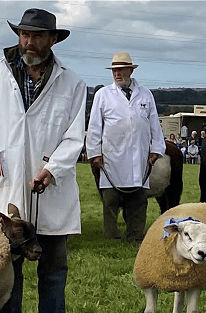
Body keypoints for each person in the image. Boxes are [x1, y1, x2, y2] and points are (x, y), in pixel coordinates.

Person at [0, 8, 86, 313]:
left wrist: (52, 169)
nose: (29, 42)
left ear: (52, 40)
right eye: (24, 34)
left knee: (53, 271)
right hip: (7, 185)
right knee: (8, 268)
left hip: (51, 188)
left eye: (37, 36)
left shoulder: (72, 83)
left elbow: (75, 136)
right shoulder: (0, 74)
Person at [86, 52, 165, 243]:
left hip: (139, 156)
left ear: (131, 70)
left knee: (138, 200)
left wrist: (156, 149)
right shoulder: (103, 95)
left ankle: (135, 236)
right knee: (111, 200)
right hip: (112, 157)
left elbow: (154, 123)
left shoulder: (146, 94)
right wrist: (95, 153)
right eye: (114, 70)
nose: (117, 73)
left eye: (121, 69)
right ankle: (111, 236)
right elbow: (94, 126)